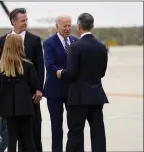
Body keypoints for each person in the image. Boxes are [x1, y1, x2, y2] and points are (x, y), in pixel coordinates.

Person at [57, 13, 109, 152]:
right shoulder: (102, 47)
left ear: (78, 26)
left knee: (75, 133)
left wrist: (61, 73)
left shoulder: (76, 47)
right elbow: (102, 73)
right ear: (92, 26)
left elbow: (71, 73)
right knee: (98, 133)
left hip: (78, 98)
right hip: (96, 97)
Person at [0, 8, 44, 152]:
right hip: (9, 97)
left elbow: (40, 67)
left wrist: (39, 89)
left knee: (32, 132)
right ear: (13, 22)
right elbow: (0, 69)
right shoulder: (2, 40)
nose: (25, 23)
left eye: (26, 20)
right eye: (22, 20)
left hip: (29, 95)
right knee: (11, 135)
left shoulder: (34, 40)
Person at [0, 34, 41, 152]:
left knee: (12, 139)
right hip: (25, 106)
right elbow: (36, 85)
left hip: (8, 108)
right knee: (28, 138)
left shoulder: (1, 66)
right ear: (20, 47)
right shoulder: (28, 65)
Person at [43, 15, 78, 152]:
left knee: (74, 126)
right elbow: (50, 65)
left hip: (72, 91)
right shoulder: (49, 43)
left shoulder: (76, 41)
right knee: (57, 128)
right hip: (55, 91)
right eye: (65, 26)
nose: (68, 28)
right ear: (57, 26)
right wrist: (63, 72)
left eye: (69, 25)